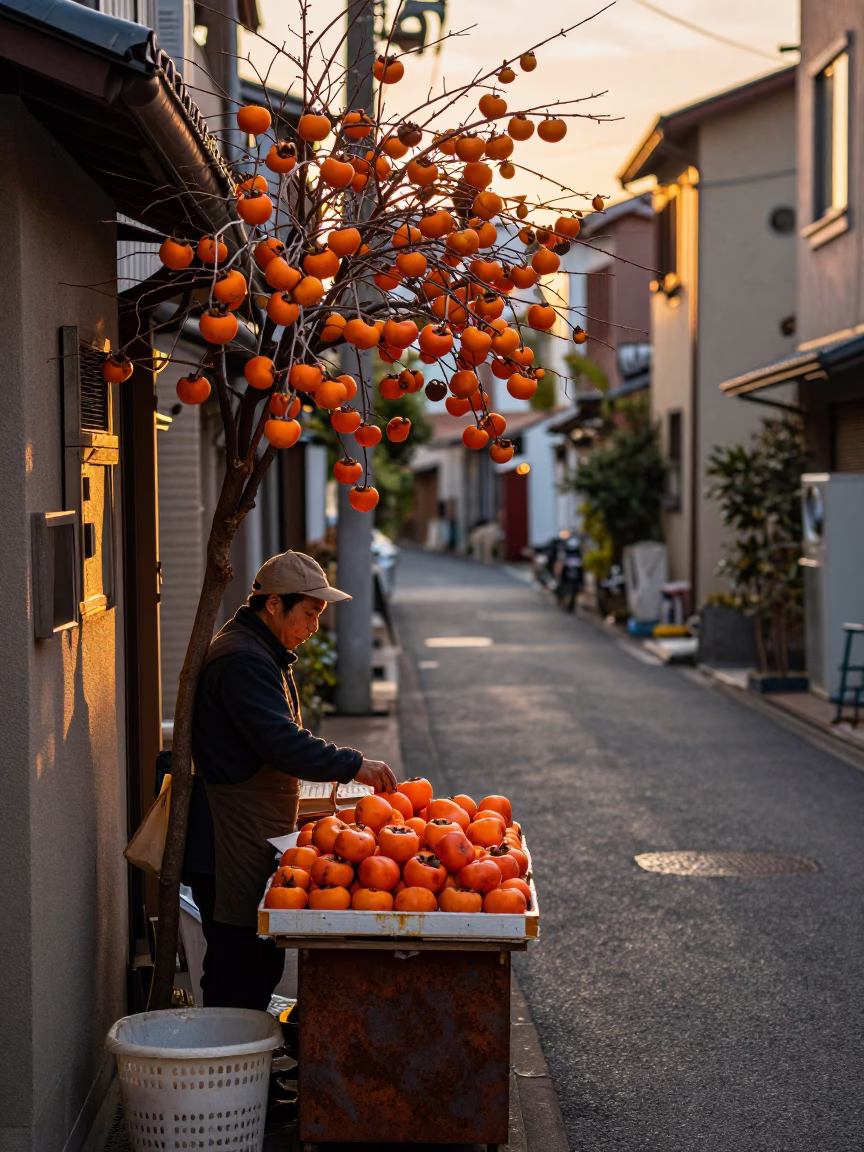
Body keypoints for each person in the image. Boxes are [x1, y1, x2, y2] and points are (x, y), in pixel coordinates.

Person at [185, 550, 397, 1010]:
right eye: (310, 612)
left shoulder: (260, 650)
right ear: (275, 604)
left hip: (251, 833)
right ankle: (231, 1073)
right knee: (237, 967)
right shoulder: (243, 660)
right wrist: (352, 764)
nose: (315, 626)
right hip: (228, 841)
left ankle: (251, 1069)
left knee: (259, 962)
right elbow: (282, 742)